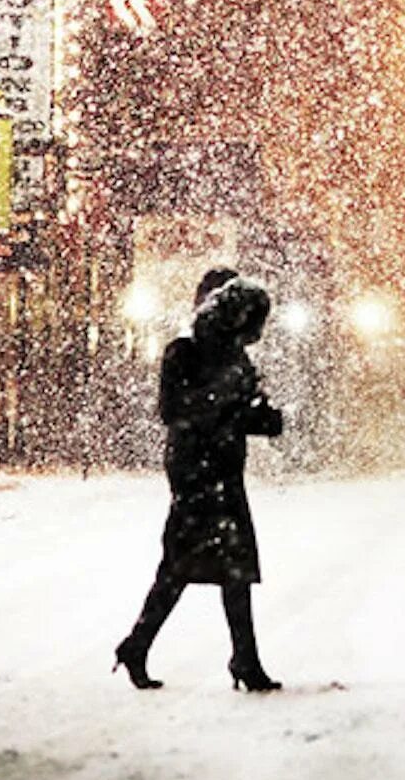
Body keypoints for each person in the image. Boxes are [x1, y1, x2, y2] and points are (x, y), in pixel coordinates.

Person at [114, 269, 285, 692]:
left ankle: (242, 658)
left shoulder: (236, 360)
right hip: (195, 475)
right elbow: (174, 412)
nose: (256, 335)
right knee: (180, 569)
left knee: (233, 571)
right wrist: (226, 397)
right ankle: (143, 645)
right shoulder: (184, 353)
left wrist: (264, 417)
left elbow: (241, 415)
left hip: (224, 472)